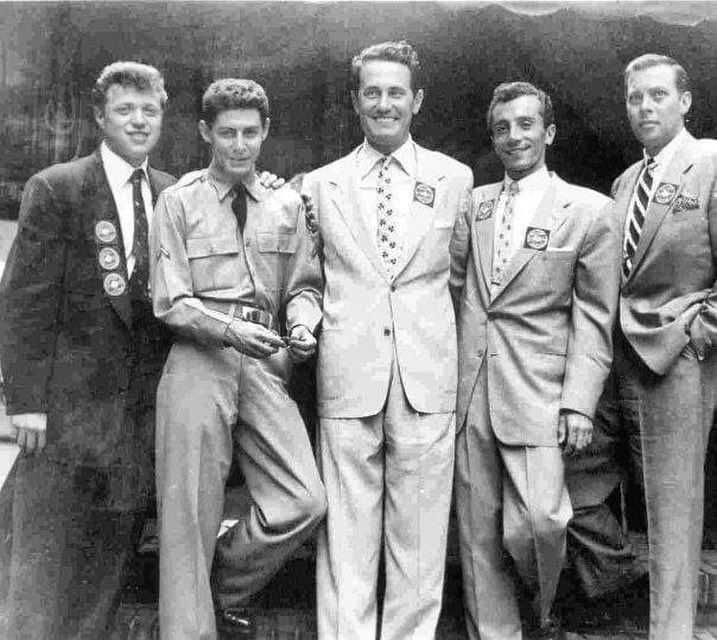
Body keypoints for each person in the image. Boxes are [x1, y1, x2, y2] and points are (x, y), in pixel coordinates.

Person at [303, 40, 473, 640]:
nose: (383, 103)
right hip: (349, 373)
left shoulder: (456, 179)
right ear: (355, 101)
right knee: (346, 536)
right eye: (371, 92)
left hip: (427, 376)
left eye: (395, 91)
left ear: (416, 99)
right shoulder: (318, 186)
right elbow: (305, 276)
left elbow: (459, 278)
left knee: (421, 541)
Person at [0, 61, 175, 639]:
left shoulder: (170, 194)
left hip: (134, 423)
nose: (139, 121)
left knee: (106, 572)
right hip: (62, 419)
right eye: (125, 110)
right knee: (41, 571)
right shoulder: (58, 187)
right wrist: (24, 402)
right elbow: (23, 301)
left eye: (149, 110)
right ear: (101, 118)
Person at [151, 78, 326, 640]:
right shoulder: (178, 201)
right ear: (205, 132)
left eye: (251, 132)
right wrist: (229, 329)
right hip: (199, 356)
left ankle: (220, 589)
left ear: (267, 132)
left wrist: (303, 321)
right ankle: (189, 631)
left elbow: (304, 285)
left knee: (302, 499)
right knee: (188, 514)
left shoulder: (285, 203)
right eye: (227, 132)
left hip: (265, 362)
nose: (239, 145)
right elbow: (171, 300)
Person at [450, 81, 620, 639]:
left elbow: (595, 317)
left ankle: (543, 611)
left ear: (548, 133)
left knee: (539, 525)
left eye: (525, 125)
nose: (513, 136)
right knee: (477, 537)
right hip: (470, 389)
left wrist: (579, 405)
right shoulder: (472, 204)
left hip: (541, 393)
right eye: (502, 127)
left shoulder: (590, 212)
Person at [603, 53, 716, 640]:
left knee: (674, 513)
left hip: (678, 361)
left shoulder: (712, 163)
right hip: (619, 361)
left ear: (685, 101)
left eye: (657, 95)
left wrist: (700, 330)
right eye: (634, 98)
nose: (644, 108)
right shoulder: (626, 182)